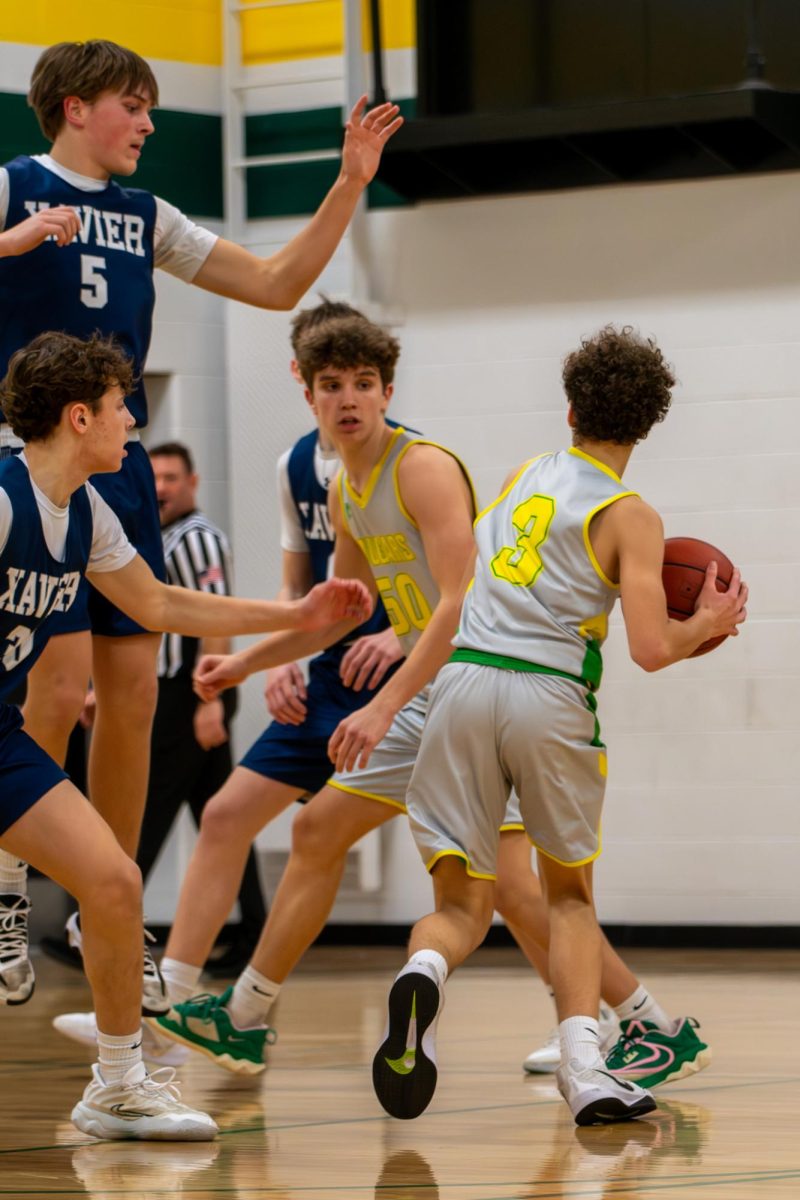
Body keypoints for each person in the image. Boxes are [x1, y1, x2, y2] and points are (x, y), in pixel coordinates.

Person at [0, 37, 401, 1005]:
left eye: (149, 107)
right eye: (132, 106)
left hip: (114, 463)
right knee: (50, 681)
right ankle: (13, 887)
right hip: (24, 455)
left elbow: (272, 285)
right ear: (72, 106)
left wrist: (347, 184)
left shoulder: (146, 216)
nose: (146, 124)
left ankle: (116, 898)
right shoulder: (12, 186)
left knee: (132, 694)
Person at [146, 315, 589, 1077]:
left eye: (361, 384)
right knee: (321, 833)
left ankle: (622, 1022)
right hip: (441, 691)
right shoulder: (344, 486)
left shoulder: (419, 468)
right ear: (308, 394)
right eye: (331, 386)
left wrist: (383, 702)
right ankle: (245, 1014)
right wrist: (246, 664)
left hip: (486, 683)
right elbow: (335, 613)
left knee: (518, 888)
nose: (347, 399)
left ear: (387, 391)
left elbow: (462, 602)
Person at [369, 326, 746, 1126]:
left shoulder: (521, 474)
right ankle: (586, 1068)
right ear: (646, 426)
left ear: (570, 407)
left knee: (463, 903)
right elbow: (649, 649)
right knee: (567, 897)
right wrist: (706, 622)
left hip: (461, 682)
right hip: (546, 691)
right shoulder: (630, 514)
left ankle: (427, 971)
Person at [0, 330, 370, 1137]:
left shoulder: (85, 512)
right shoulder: (1, 499)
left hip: (3, 739)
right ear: (77, 417)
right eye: (117, 407)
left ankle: (118, 1084)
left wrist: (296, 615)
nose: (132, 420)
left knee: (115, 883)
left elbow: (162, 605)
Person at [51, 441, 269, 1054]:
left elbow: (209, 616)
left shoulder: (198, 537)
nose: (165, 487)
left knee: (141, 829)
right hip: (173, 694)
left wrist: (208, 704)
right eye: (161, 478)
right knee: (223, 824)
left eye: (173, 477)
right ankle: (229, 944)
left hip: (186, 696)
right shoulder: (147, 534)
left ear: (192, 481)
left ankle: (106, 920)